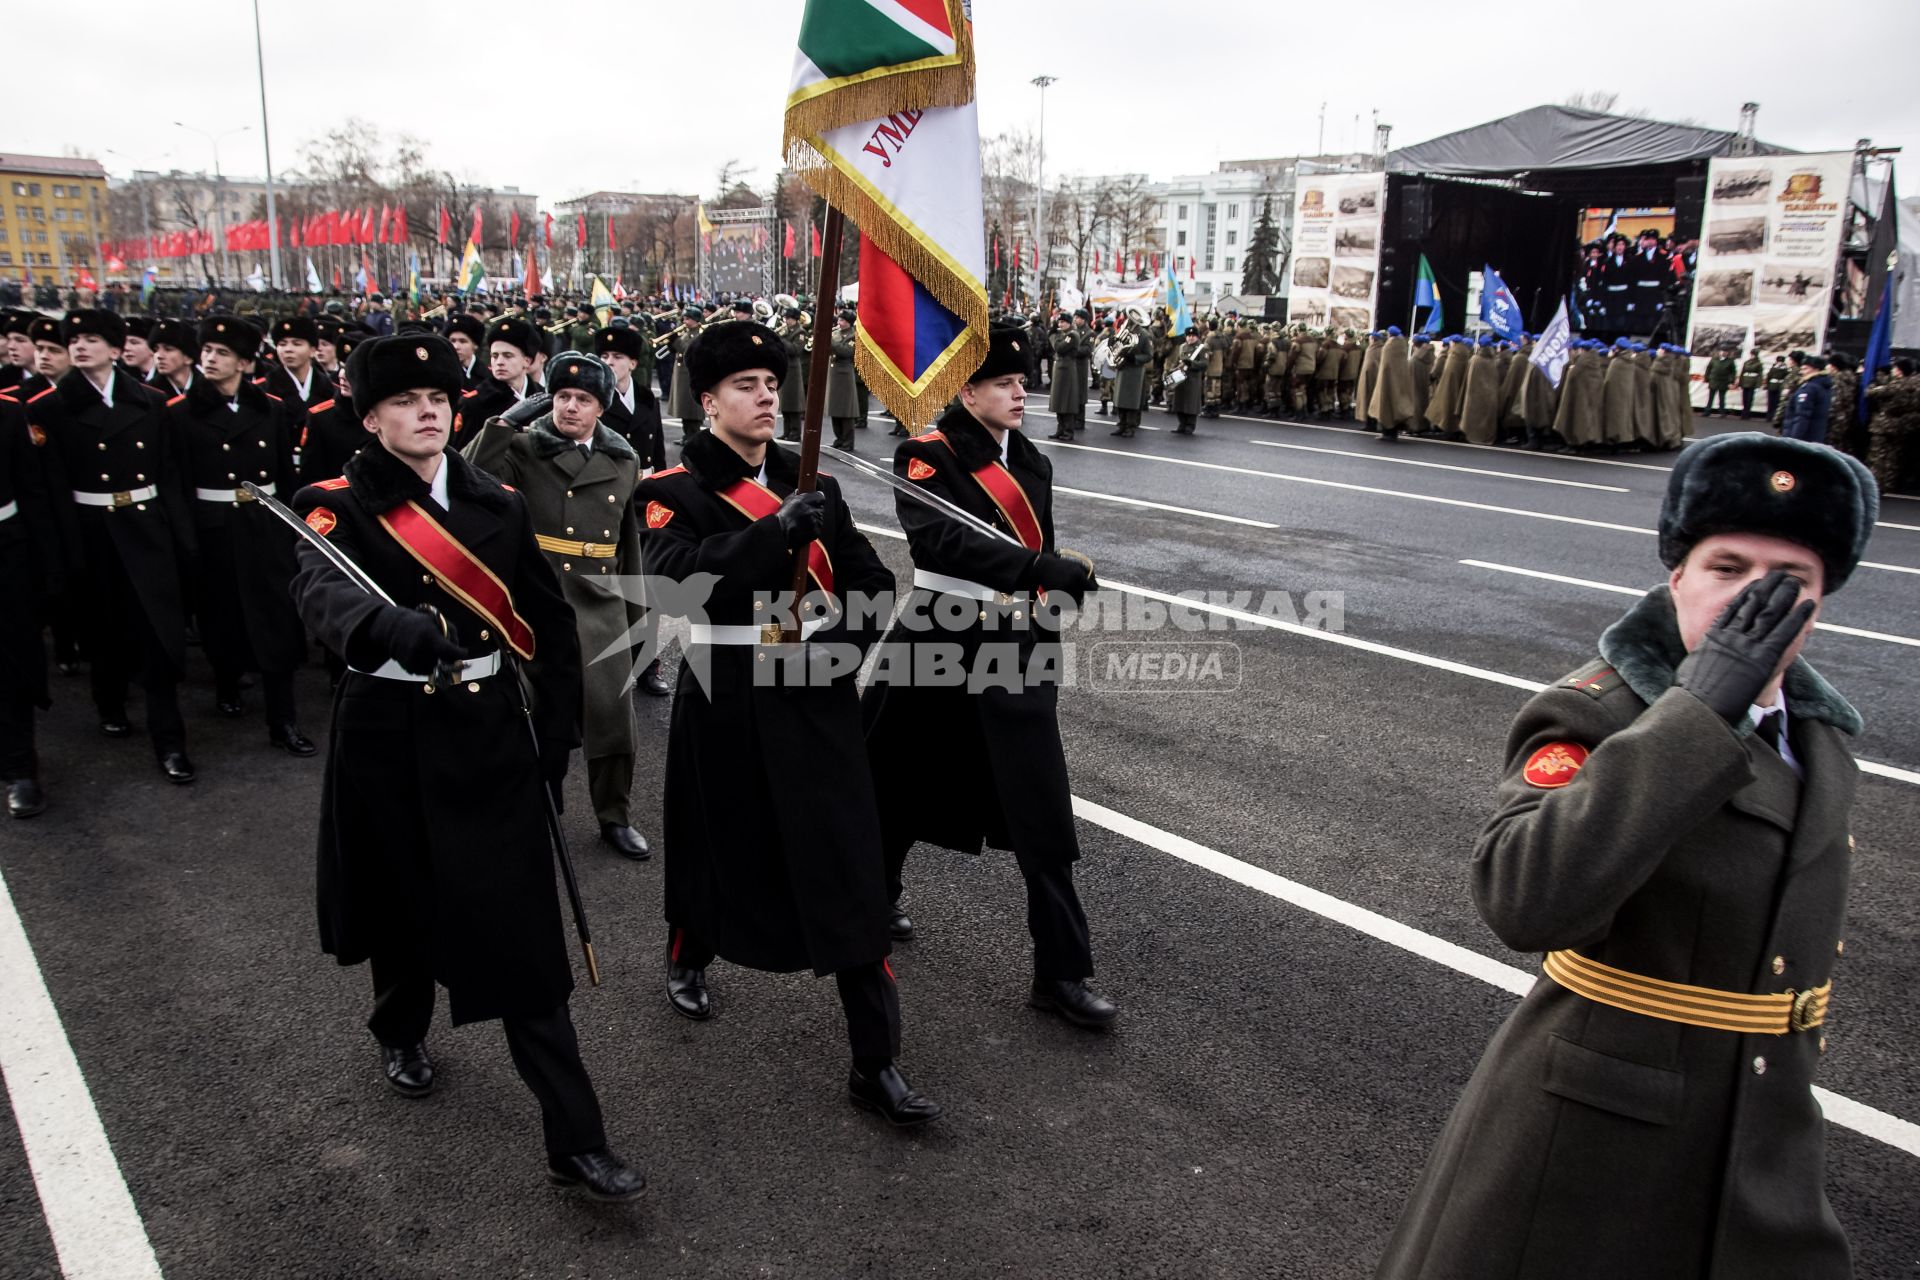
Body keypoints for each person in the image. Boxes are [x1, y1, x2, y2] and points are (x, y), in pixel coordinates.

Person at [1376, 431, 1877, 1280]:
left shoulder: (1817, 740)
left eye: (1789, 582)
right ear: (1676, 574)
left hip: (1759, 1141)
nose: (1752, 599)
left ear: (1821, 604)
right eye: (1727, 567)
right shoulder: (1597, 715)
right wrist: (1699, 709)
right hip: (1594, 1142)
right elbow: (1525, 898)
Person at [288, 333, 644, 1201]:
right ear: (370, 417)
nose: (428, 411)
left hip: (488, 732)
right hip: (387, 728)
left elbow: (552, 629)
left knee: (521, 935)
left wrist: (554, 739)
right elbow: (319, 595)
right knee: (401, 900)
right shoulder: (334, 502)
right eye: (406, 400)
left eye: (439, 398)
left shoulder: (496, 499)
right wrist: (386, 630)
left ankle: (575, 1136)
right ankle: (400, 1028)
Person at [634, 319, 939, 1126]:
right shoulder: (669, 493)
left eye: (772, 383)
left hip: (815, 690)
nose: (766, 395)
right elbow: (676, 587)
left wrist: (840, 643)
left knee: (847, 865)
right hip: (728, 686)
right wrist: (770, 535)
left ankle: (874, 1061)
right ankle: (689, 950)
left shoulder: (817, 487)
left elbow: (874, 582)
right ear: (707, 402)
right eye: (745, 385)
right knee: (717, 842)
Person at [862, 322, 1116, 1032]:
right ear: (967, 392)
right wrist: (1037, 569)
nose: (1020, 393)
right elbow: (943, 542)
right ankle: (875, 897)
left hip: (1013, 643)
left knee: (1042, 813)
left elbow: (1039, 545)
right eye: (1005, 383)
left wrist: (1057, 591)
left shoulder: (1030, 459)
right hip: (939, 636)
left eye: (1021, 381)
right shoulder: (926, 455)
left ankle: (1061, 973)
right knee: (895, 784)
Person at [463, 352, 654, 858]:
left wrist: (638, 618)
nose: (570, 407)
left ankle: (615, 815)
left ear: (601, 407)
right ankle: (538, 808)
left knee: (613, 719)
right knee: (534, 716)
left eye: (583, 399)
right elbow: (468, 477)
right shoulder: (524, 447)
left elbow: (626, 544)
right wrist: (503, 424)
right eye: (562, 396)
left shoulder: (623, 458)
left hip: (600, 602)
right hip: (538, 596)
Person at [29, 309, 195, 782]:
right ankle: (110, 701)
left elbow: (168, 473)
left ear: (117, 348)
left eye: (93, 339)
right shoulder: (49, 408)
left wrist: (181, 538)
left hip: (146, 527)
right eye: (74, 339)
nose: (81, 346)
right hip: (90, 527)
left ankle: (171, 741)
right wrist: (62, 553)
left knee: (159, 636)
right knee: (102, 628)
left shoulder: (150, 400)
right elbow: (52, 488)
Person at [165, 315, 314, 753]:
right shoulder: (180, 413)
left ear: (246, 363)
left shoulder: (270, 407)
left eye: (222, 353)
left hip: (264, 526)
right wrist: (187, 539)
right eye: (207, 350)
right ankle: (226, 683)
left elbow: (286, 478)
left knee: (277, 623)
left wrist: (294, 529)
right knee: (221, 617)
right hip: (213, 528)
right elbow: (175, 482)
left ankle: (282, 720)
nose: (210, 359)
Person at [1, 391, 58, 816]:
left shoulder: (7, 412)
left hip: (5, 548)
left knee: (10, 664)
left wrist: (47, 570)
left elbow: (33, 491)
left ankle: (20, 767)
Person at [459, 317, 545, 443]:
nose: (499, 362)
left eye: (508, 356)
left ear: (527, 361)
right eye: (495, 356)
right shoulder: (474, 404)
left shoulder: (543, 398)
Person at [1864, 356, 1919, 494]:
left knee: (1877, 457)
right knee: (1892, 458)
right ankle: (1888, 485)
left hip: (1884, 425)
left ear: (1900, 370)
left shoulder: (1895, 385)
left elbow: (1869, 392)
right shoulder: (1915, 386)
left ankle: (1874, 486)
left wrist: (1871, 382)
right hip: (1901, 425)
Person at [266, 316, 337, 411]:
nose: (288, 349)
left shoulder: (330, 389)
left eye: (297, 344)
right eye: (282, 344)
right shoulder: (265, 389)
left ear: (312, 350)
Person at [1046, 310, 1091, 442]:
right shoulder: (1063, 333)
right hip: (1060, 369)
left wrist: (1052, 335)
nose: (1060, 324)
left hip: (1067, 370)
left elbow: (1059, 348)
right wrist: (1054, 333)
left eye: (1063, 322)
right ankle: (1060, 429)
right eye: (1059, 322)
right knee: (1058, 401)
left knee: (1067, 401)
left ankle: (1068, 430)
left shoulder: (1072, 335)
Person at [665, 306, 705, 445]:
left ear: (695, 320)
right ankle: (687, 435)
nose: (684, 321)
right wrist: (671, 344)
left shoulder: (699, 334)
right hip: (682, 375)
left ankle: (693, 436)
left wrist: (675, 340)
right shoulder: (687, 332)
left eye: (687, 319)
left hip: (690, 375)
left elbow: (687, 350)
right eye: (684, 318)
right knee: (683, 407)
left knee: (691, 409)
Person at [1109, 307, 1151, 438]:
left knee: (1131, 401)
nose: (1131, 319)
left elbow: (1148, 355)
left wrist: (1135, 358)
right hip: (1123, 368)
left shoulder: (1144, 335)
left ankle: (1130, 427)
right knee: (1120, 399)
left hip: (1135, 371)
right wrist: (1112, 342)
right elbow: (1117, 347)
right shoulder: (1124, 331)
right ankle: (1121, 424)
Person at [826, 309, 860, 450]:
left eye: (842, 321)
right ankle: (839, 438)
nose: (839, 323)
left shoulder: (853, 335)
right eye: (839, 320)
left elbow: (846, 352)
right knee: (835, 409)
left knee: (846, 411)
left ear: (849, 322)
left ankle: (848, 441)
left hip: (845, 373)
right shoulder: (836, 334)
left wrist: (831, 341)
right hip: (834, 372)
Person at [1780, 354, 1832, 443]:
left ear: (1816, 369)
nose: (1801, 372)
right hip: (1815, 436)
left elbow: (1802, 416)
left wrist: (1793, 440)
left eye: (1805, 369)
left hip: (1803, 438)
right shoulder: (1823, 385)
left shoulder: (1809, 388)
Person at [1167, 325, 1209, 434]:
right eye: (1189, 336)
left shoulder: (1201, 348)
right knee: (1179, 402)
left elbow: (1204, 364)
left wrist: (1192, 363)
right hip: (1180, 379)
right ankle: (1181, 424)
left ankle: (1190, 425)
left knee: (1191, 403)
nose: (1191, 338)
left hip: (1193, 379)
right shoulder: (1182, 347)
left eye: (1193, 336)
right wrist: (1171, 370)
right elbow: (1177, 362)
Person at [1703, 347, 1736, 416]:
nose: (1724, 353)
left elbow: (1733, 372)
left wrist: (1731, 382)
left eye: (1725, 352)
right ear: (1719, 352)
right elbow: (1708, 369)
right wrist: (1706, 378)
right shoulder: (1714, 359)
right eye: (1722, 351)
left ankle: (1722, 412)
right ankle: (1707, 411)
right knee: (1710, 398)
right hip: (1713, 380)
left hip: (1723, 381)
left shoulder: (1730, 361)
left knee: (1722, 398)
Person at [1738, 348, 1765, 419]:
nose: (1752, 356)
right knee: (1744, 399)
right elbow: (1742, 373)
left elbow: (1760, 375)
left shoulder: (1758, 363)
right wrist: (1740, 383)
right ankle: (1743, 413)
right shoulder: (1746, 362)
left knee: (1749, 399)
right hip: (1745, 382)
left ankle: (1747, 413)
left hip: (1752, 382)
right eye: (1752, 354)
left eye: (1754, 354)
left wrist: (1758, 385)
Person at [1765, 354, 1791, 420]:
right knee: (1770, 401)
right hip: (1772, 385)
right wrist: (1767, 385)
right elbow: (1769, 376)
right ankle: (1769, 416)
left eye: (1781, 361)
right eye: (1779, 361)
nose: (1779, 362)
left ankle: (1775, 415)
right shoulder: (1773, 367)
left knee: (1777, 402)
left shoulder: (1785, 369)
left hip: (1779, 385)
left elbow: (1786, 377)